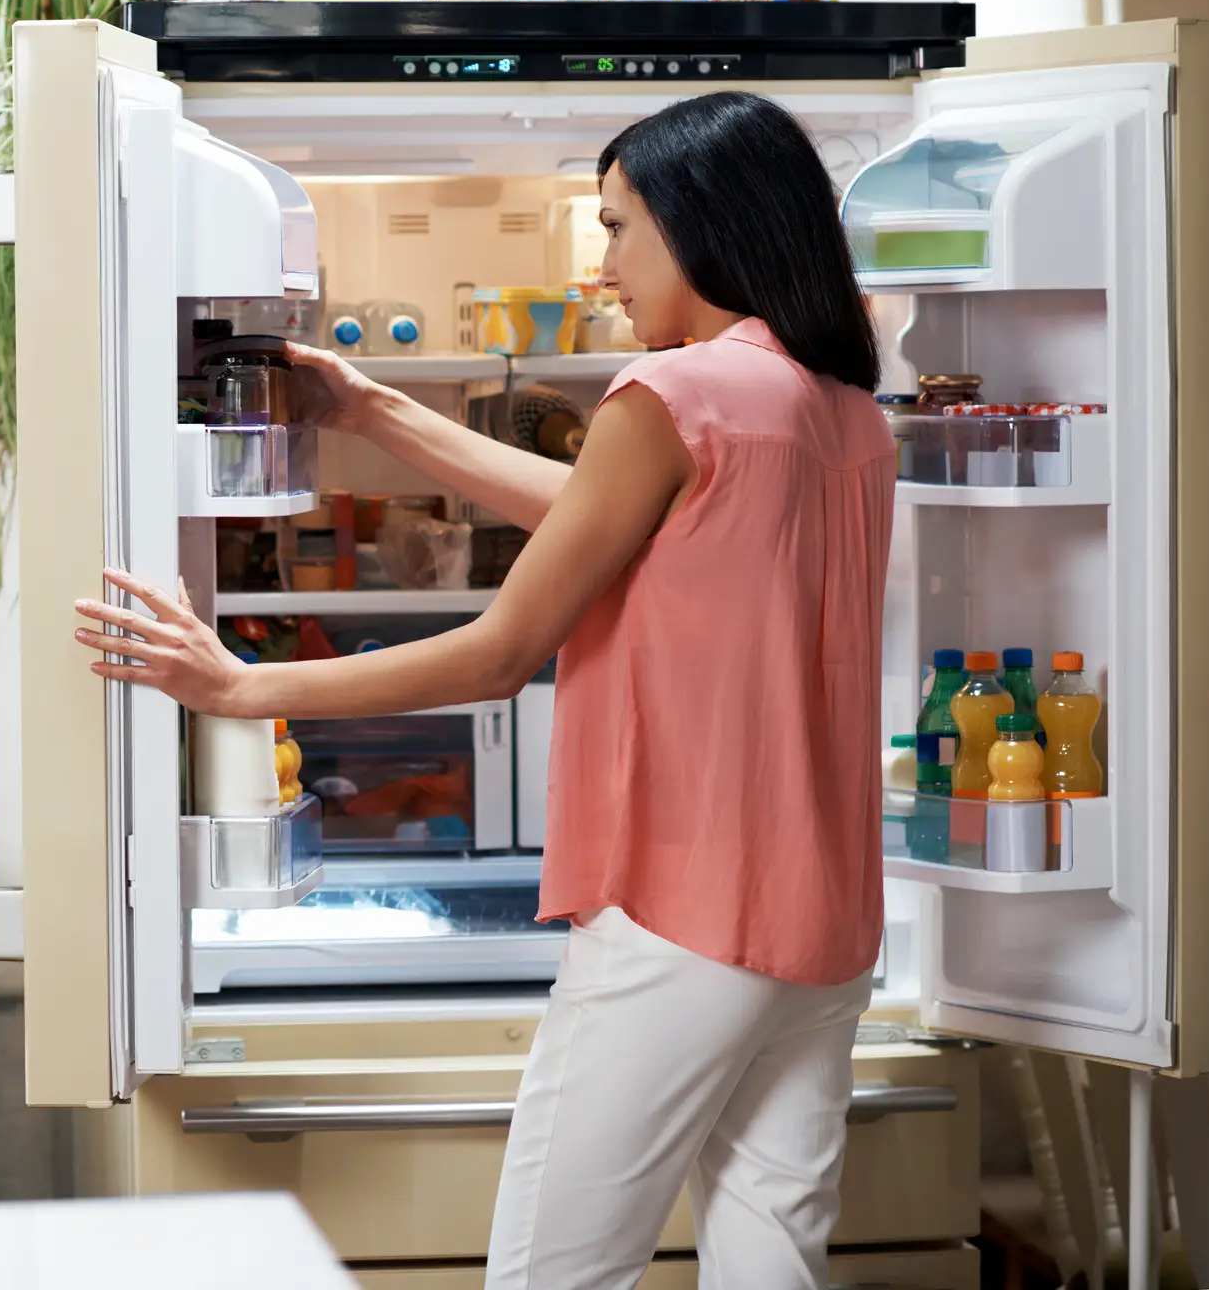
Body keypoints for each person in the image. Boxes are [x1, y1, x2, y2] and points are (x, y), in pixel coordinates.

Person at [71, 90, 894, 1289]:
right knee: (770, 1261)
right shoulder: (838, 410)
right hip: (823, 930)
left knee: (551, 1273)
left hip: (684, 915)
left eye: (616, 227)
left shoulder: (670, 396)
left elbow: (502, 649)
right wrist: (371, 408)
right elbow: (595, 520)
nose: (602, 263)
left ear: (697, 222)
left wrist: (237, 687)